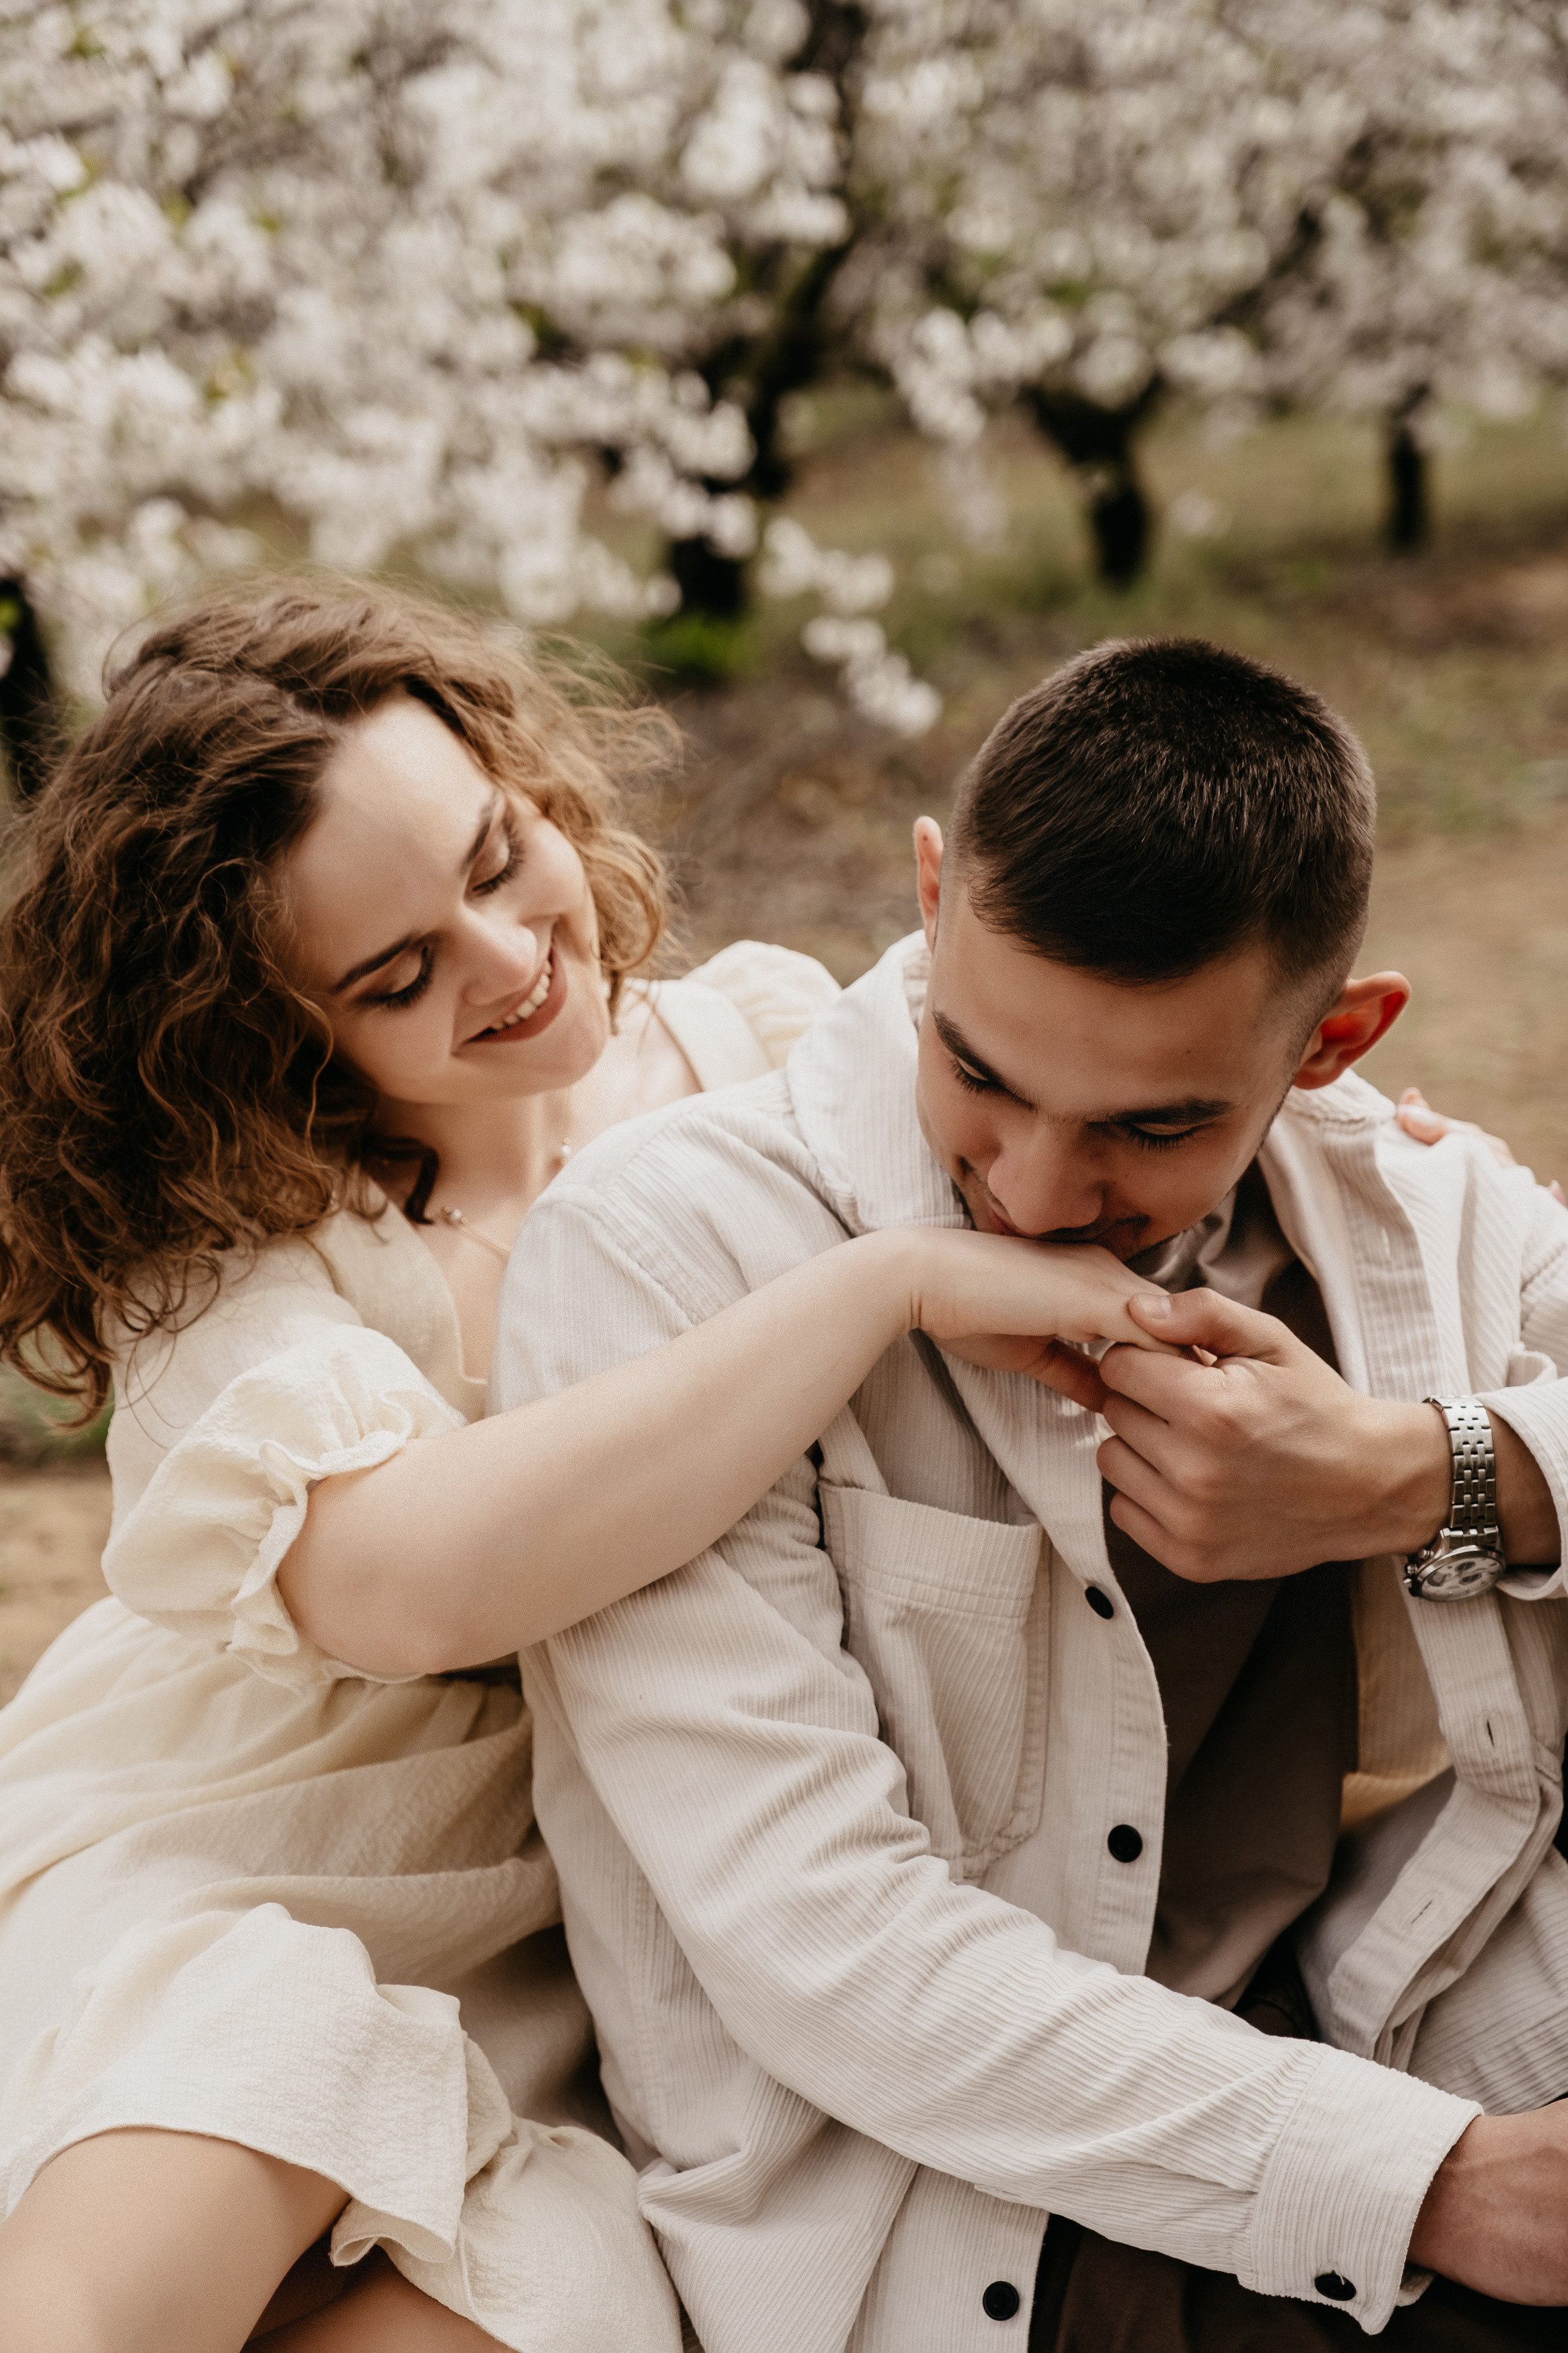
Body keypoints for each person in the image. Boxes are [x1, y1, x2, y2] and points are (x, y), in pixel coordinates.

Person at [0, 584, 1175, 2353]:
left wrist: (1317, 1127)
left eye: (497, 853)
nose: (506, 957)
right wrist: (878, 1286)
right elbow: (412, 1582)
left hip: (577, 1934)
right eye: (395, 974)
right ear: (269, 1030)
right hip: (264, 1842)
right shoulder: (241, 1250)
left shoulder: (763, 1048)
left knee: (551, 2312)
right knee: (208, 2114)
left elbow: (1089, 1069)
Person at [494, 637, 1568, 2352]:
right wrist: (1436, 2184)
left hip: (1398, 2043)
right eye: (981, 1073)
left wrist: (1418, 1475)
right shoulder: (671, 1253)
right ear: (931, 901)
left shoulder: (1416, 1206)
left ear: (1334, 1040)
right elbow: (827, 1949)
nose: (1041, 1189)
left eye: (1152, 1126)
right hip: (970, 2233)